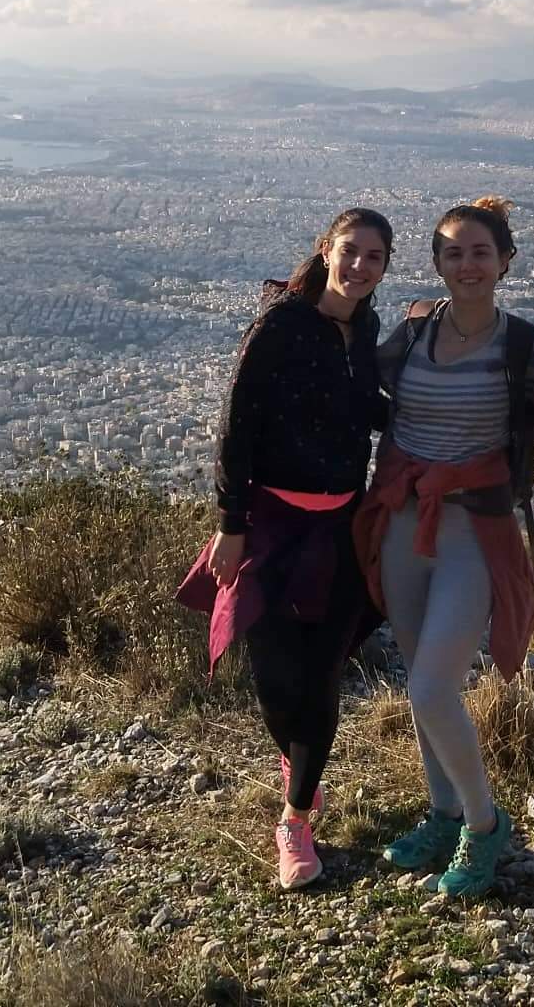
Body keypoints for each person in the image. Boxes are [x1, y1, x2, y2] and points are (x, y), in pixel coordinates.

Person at [175, 207, 393, 891]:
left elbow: (365, 416)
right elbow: (236, 423)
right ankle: (298, 760)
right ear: (327, 249)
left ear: (384, 269)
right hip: (269, 523)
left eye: (374, 258)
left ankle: (296, 818)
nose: (359, 266)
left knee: (321, 678)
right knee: (274, 681)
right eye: (351, 251)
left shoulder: (367, 331)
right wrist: (229, 524)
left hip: (339, 529)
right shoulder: (281, 323)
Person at [354, 196, 534, 898]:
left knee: (433, 684)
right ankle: (441, 815)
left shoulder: (525, 347)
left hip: (477, 526)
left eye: (480, 252)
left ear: (506, 261)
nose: (466, 265)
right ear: (436, 263)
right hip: (406, 522)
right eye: (452, 252)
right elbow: (352, 376)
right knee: (419, 680)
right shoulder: (412, 334)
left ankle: (483, 823)